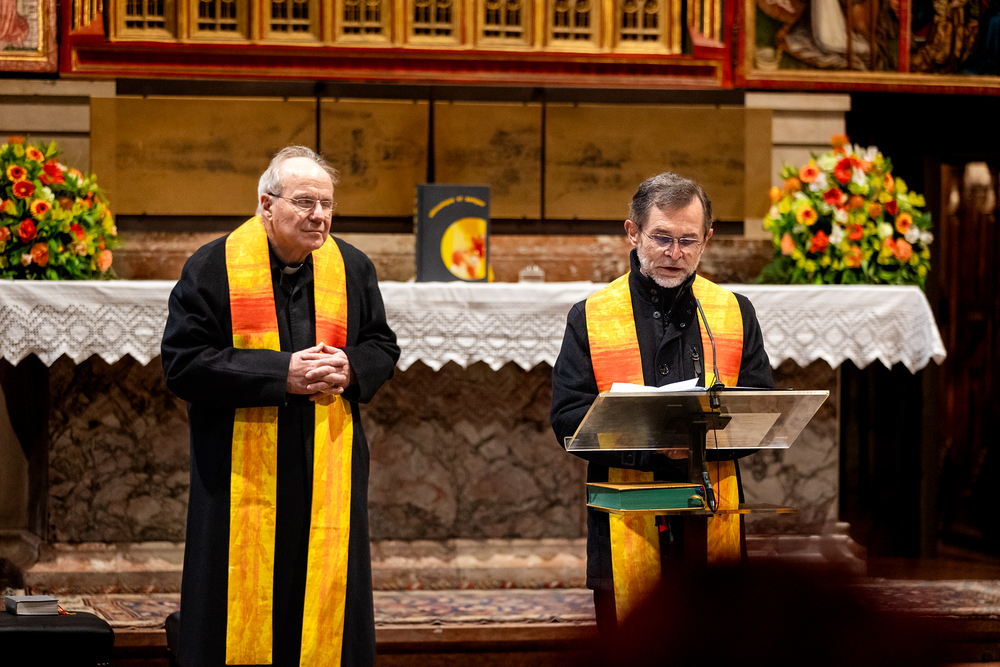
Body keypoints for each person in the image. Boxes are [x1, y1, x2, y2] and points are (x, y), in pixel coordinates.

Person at [162, 146, 399, 667]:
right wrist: (280, 374)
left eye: (327, 204)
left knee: (322, 597)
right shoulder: (213, 267)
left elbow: (382, 345)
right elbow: (183, 364)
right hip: (239, 475)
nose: (320, 216)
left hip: (327, 468)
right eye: (305, 202)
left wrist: (351, 367)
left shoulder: (351, 266)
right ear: (267, 205)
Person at [550, 172, 773, 635]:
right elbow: (569, 419)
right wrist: (653, 448)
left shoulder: (734, 311)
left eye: (689, 240)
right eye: (662, 238)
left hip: (711, 514)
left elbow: (761, 411)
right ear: (633, 232)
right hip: (626, 521)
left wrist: (697, 444)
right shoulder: (591, 315)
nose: (675, 253)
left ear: (707, 239)